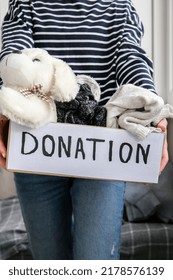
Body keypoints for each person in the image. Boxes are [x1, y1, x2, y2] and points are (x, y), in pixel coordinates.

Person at [0, 0, 168, 260]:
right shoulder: (25, 4)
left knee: (95, 263)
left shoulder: (119, 6)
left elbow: (131, 57)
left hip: (102, 154)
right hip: (36, 147)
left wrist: (151, 109)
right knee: (49, 266)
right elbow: (14, 60)